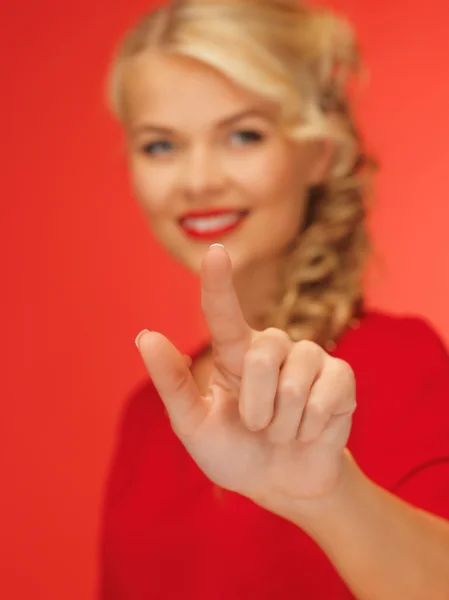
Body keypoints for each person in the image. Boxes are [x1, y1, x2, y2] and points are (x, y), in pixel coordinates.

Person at [99, 0, 449, 598]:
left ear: (319, 153)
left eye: (243, 135)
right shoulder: (147, 415)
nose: (198, 179)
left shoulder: (399, 364)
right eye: (161, 145)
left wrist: (329, 496)